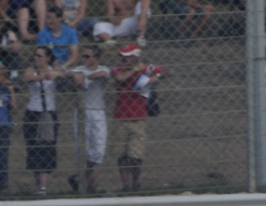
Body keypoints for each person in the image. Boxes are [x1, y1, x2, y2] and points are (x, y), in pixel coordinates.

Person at [111, 44, 172, 190]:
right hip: (121, 118)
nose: (122, 60)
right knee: (121, 155)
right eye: (121, 57)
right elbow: (119, 78)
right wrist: (134, 70)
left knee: (136, 156)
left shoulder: (146, 68)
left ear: (135, 57)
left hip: (138, 118)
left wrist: (155, 77)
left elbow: (168, 71)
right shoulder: (117, 69)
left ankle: (136, 182)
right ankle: (126, 184)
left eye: (126, 57)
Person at [22, 46, 62, 194]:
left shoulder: (54, 68)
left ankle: (43, 187)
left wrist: (56, 72)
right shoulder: (31, 70)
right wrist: (42, 76)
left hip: (48, 114)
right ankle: (38, 185)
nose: (36, 58)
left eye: (40, 56)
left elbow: (64, 73)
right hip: (33, 112)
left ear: (48, 58)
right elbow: (27, 78)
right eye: (35, 55)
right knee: (33, 148)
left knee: (47, 148)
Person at [71, 45, 111, 192]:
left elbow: (102, 74)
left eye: (87, 56)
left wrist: (86, 76)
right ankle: (88, 184)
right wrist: (75, 75)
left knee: (98, 149)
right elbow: (67, 73)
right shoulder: (79, 69)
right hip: (82, 111)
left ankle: (79, 177)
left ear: (96, 58)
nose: (84, 59)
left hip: (98, 111)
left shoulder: (103, 69)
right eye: (83, 56)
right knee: (83, 148)